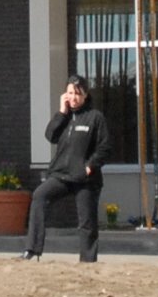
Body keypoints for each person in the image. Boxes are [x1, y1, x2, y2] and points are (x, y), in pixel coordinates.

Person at [24, 76, 113, 262]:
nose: (73, 98)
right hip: (61, 175)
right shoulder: (64, 117)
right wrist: (61, 113)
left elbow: (104, 147)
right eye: (70, 93)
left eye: (77, 94)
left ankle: (88, 261)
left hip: (86, 179)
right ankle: (32, 250)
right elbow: (50, 136)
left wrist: (89, 167)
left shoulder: (95, 117)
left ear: (85, 95)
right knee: (39, 195)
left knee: (87, 222)